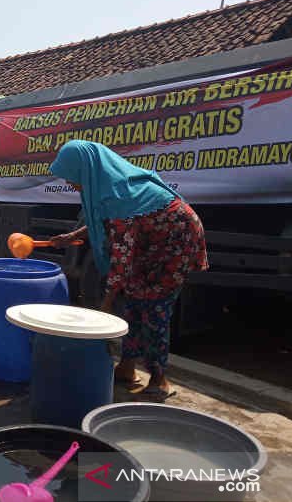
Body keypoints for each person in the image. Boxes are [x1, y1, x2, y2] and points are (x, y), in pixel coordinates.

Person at [49, 140, 208, 400]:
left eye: (71, 177)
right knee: (134, 302)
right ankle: (126, 367)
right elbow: (106, 220)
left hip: (174, 244)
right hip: (149, 242)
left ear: (85, 169)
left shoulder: (120, 194)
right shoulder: (105, 186)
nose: (69, 183)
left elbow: (120, 262)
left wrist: (105, 306)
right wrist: (72, 236)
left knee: (154, 308)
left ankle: (160, 379)